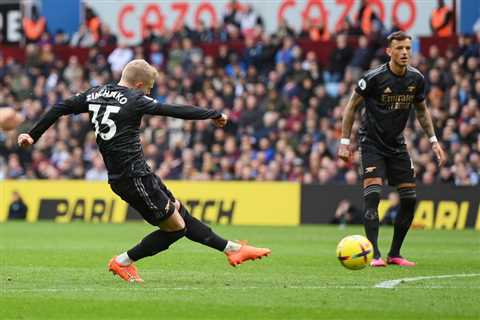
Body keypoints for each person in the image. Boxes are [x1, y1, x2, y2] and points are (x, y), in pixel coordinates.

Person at [18, 59, 271, 283]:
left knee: (179, 212)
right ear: (139, 85)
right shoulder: (135, 98)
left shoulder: (95, 93)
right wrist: (213, 114)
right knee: (177, 228)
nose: (150, 93)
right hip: (132, 177)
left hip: (139, 174)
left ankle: (232, 248)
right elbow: (173, 110)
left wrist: (32, 134)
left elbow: (60, 107)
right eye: (149, 88)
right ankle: (123, 261)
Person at [338, 31, 446, 267]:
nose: (405, 52)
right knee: (374, 195)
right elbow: (351, 107)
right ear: (389, 52)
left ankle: (394, 253)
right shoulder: (374, 77)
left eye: (408, 48)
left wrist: (434, 141)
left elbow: (421, 110)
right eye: (399, 48)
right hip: (371, 144)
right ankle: (374, 254)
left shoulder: (416, 79)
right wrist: (345, 142)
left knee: (409, 199)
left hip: (397, 145)